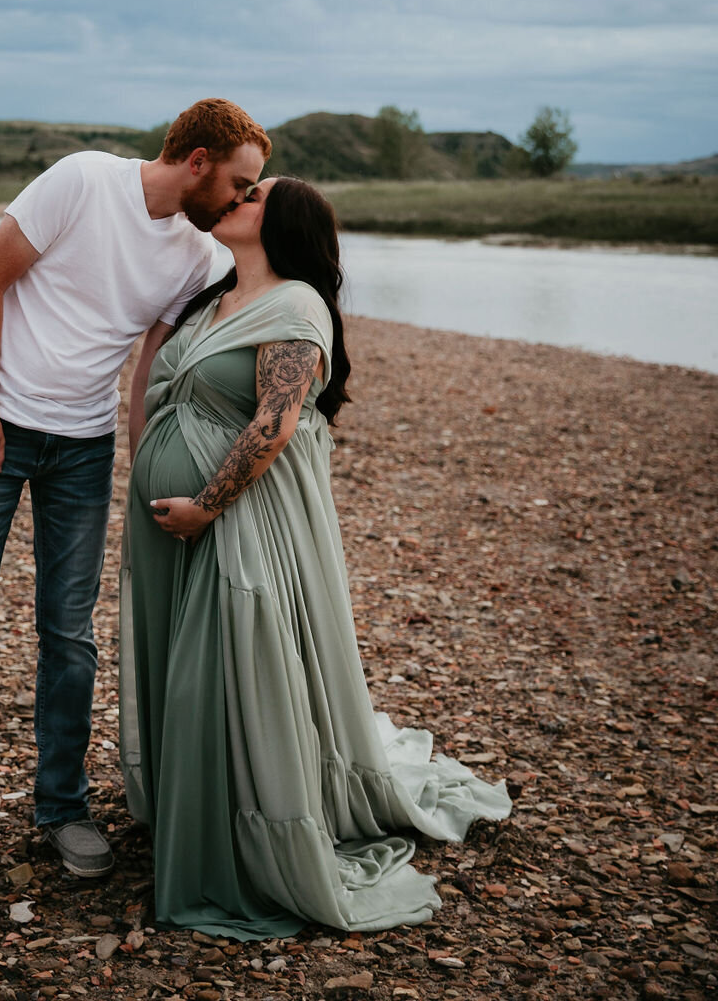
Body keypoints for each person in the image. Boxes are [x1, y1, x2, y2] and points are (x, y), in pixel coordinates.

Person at [119, 176, 512, 938]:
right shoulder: (213, 299)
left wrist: (205, 506)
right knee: (178, 659)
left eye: (255, 194)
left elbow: (275, 419)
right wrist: (146, 469)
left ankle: (243, 831)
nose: (235, 196)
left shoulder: (296, 304)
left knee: (230, 662)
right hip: (169, 523)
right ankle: (190, 808)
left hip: (235, 521)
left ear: (286, 223)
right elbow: (160, 391)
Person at [0, 100, 271, 883]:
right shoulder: (81, 180)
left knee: (70, 635)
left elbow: (150, 368)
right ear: (197, 161)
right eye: (238, 184)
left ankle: (61, 806)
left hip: (85, 448)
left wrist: (140, 465)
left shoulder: (198, 260)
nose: (239, 202)